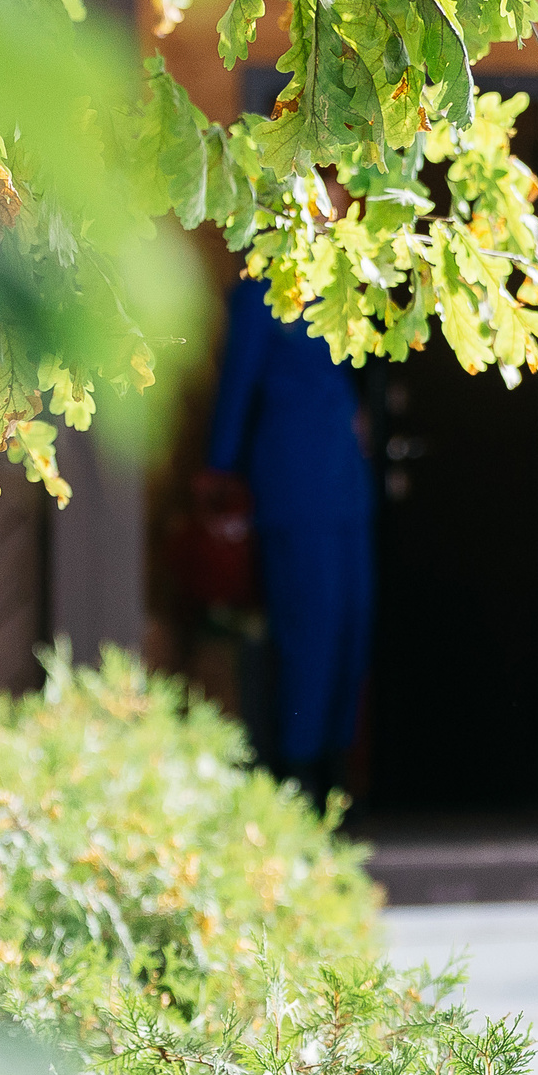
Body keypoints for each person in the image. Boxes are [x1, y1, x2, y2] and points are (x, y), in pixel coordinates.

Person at [203, 265, 375, 803]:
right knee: (308, 634)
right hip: (296, 492)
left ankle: (335, 775)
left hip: (346, 492)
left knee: (351, 630)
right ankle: (300, 779)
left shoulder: (340, 285)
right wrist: (217, 471)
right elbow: (238, 384)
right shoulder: (260, 295)